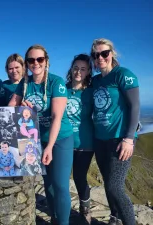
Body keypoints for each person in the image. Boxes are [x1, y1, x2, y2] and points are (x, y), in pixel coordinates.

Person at [9, 44, 73, 225]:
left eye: (40, 59)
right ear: (27, 63)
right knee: (49, 185)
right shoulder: (24, 84)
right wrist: (20, 107)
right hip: (36, 140)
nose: (35, 63)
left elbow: (56, 117)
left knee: (60, 185)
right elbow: (9, 108)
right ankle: (55, 218)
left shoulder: (56, 82)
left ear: (46, 61)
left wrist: (50, 147)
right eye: (31, 60)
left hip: (60, 138)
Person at [90, 38, 139, 225]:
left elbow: (134, 107)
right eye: (96, 55)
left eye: (104, 53)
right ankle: (115, 217)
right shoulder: (95, 81)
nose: (100, 57)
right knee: (108, 186)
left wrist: (128, 139)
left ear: (112, 54)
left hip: (120, 139)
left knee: (115, 186)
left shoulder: (123, 74)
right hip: (100, 139)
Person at [65, 54, 94, 224]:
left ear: (88, 71)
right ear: (71, 68)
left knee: (79, 177)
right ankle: (61, 209)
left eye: (83, 69)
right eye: (76, 67)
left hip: (85, 142)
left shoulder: (92, 91)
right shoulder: (62, 88)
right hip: (64, 142)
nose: (78, 71)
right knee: (61, 178)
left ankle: (85, 209)